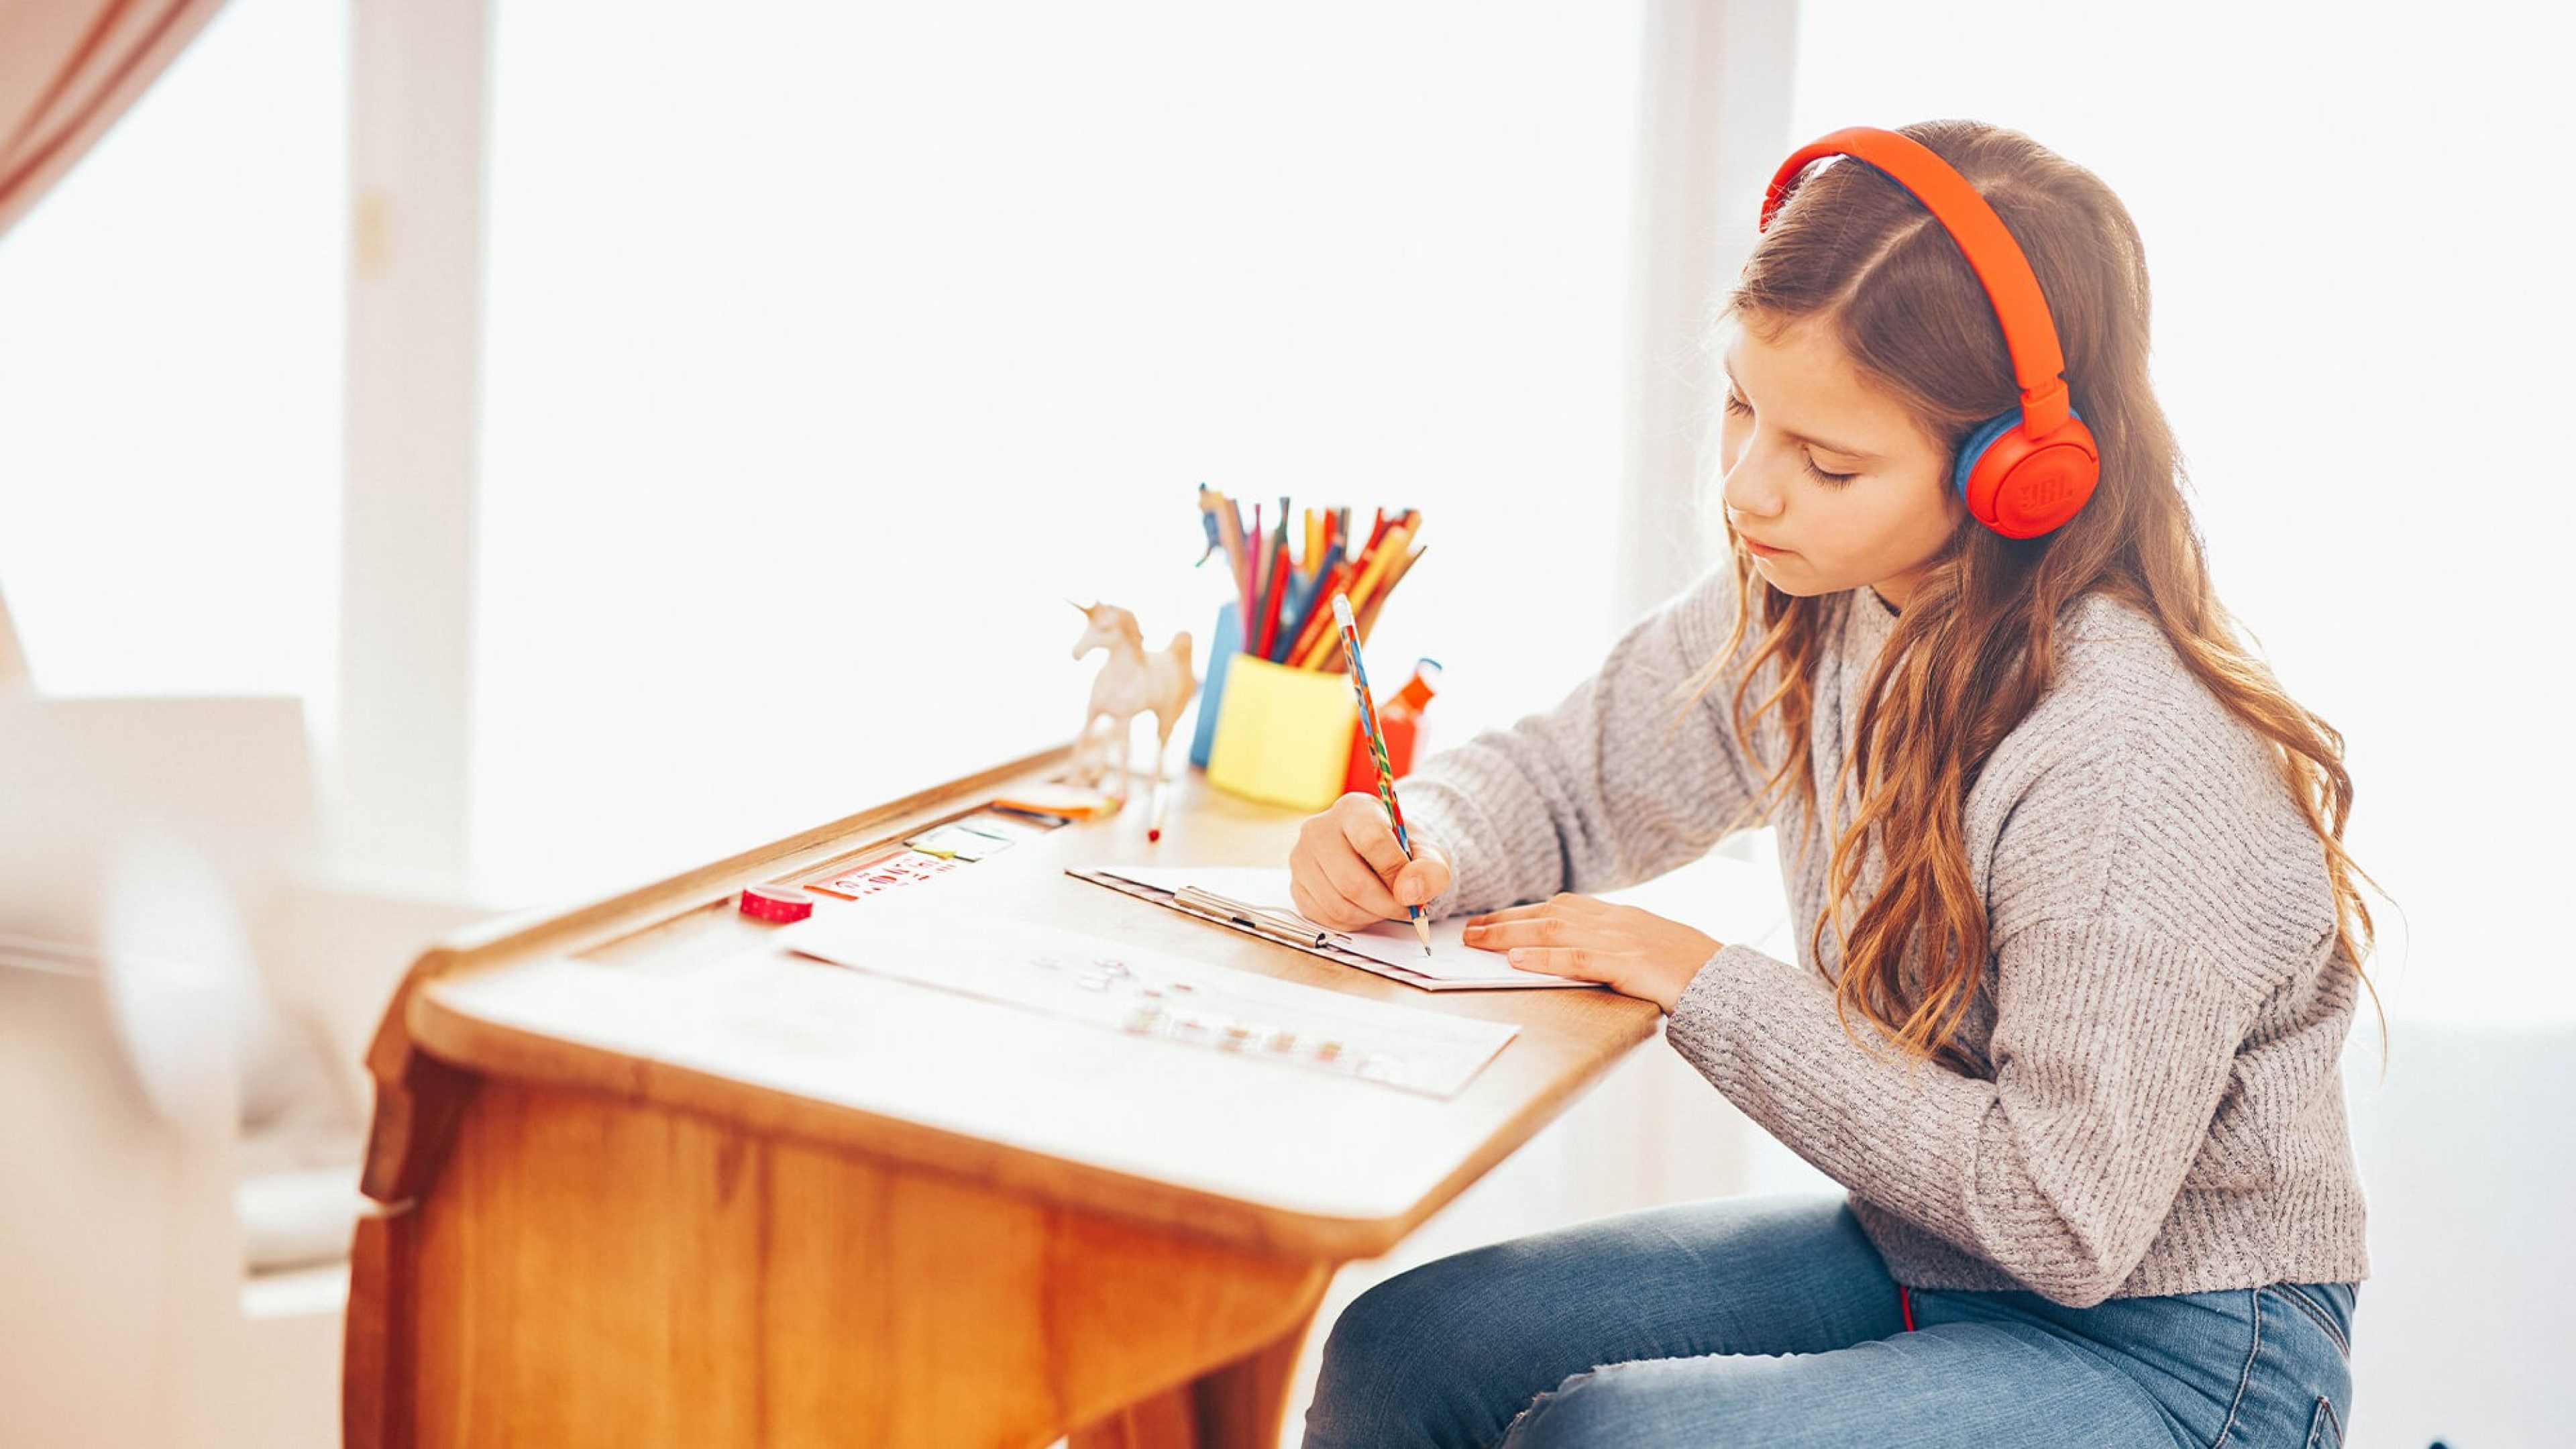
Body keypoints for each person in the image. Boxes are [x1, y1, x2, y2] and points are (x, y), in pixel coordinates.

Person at [1289, 121, 2374, 1448]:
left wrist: (1704, 981)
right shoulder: (1823, 599)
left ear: (2015, 477)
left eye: (1828, 460)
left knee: (1615, 1442)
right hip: (1934, 1264)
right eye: (1746, 406)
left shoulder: (2127, 758)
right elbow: (1575, 785)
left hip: (2190, 1355)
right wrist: (1423, 837)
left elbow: (2062, 1219)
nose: (1749, 490)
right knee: (1416, 1348)